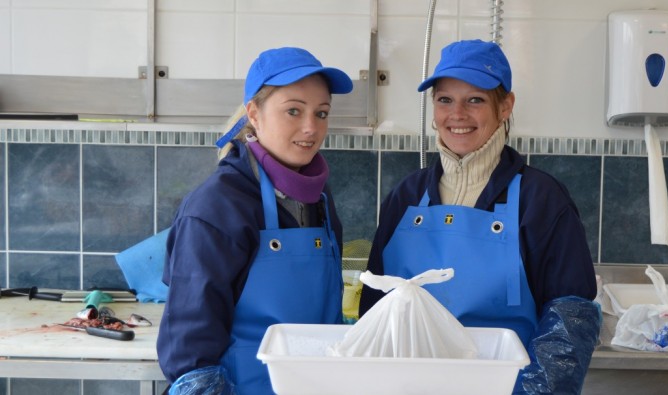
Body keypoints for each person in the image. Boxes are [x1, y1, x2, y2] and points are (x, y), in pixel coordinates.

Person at [358, 39, 602, 394]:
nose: (457, 114)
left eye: (475, 100)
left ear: (505, 106)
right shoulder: (406, 196)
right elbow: (376, 313)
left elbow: (570, 318)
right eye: (445, 100)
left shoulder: (541, 199)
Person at [157, 47, 353, 395]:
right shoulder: (218, 205)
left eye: (321, 113)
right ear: (254, 113)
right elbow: (191, 337)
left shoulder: (319, 198)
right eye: (293, 110)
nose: (311, 128)